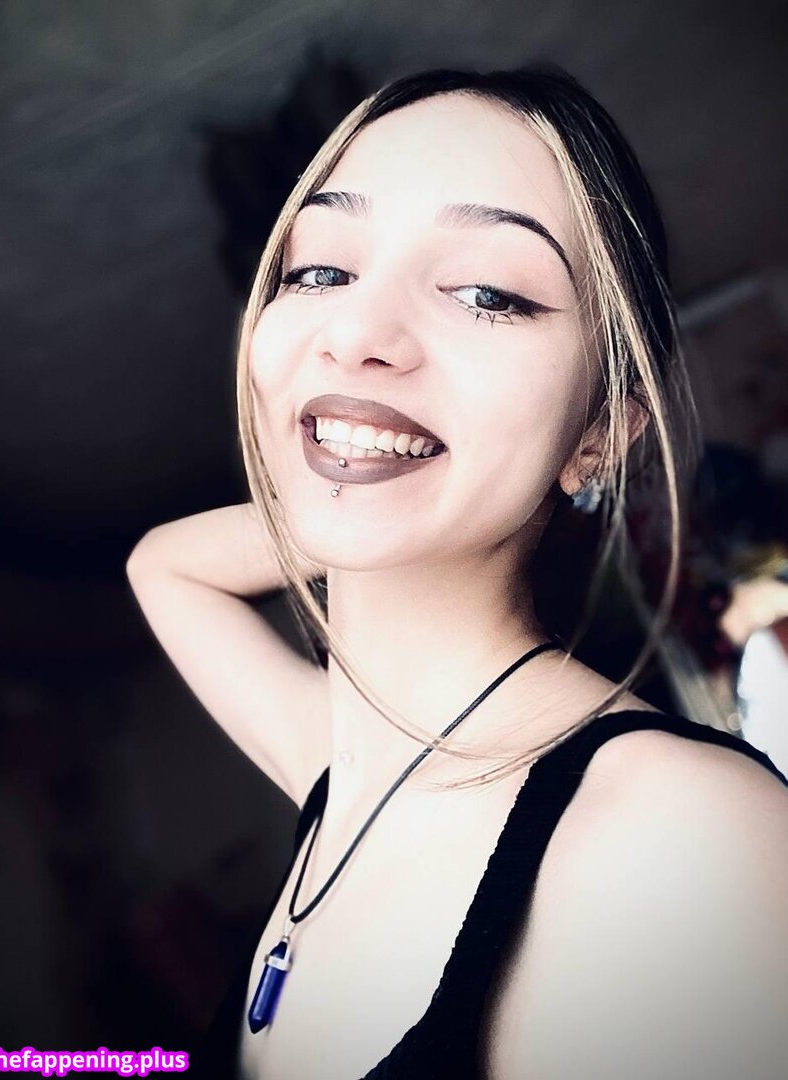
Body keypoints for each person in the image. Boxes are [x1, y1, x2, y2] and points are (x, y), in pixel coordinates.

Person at [126, 66, 788, 1080]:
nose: (355, 333)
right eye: (320, 271)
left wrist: (386, 482)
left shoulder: (683, 841)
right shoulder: (345, 767)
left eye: (488, 294)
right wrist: (374, 490)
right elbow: (164, 567)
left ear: (600, 434)